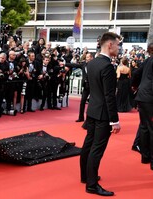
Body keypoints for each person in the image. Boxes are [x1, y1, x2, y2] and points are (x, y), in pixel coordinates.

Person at [79, 32, 121, 196]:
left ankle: (86, 176)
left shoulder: (92, 63)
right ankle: (91, 185)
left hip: (93, 111)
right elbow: (109, 96)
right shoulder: (107, 67)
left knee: (88, 145)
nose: (119, 48)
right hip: (103, 114)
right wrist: (114, 120)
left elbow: (90, 89)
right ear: (109, 44)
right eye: (117, 44)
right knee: (97, 149)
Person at [132, 42, 153, 170]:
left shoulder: (147, 61)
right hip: (150, 97)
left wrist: (134, 86)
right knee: (150, 128)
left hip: (142, 96)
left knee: (144, 127)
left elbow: (135, 73)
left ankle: (145, 156)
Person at [65, 52, 93, 122]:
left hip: (93, 86)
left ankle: (91, 119)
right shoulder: (83, 64)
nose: (87, 59)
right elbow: (75, 65)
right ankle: (81, 117)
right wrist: (65, 64)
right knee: (82, 101)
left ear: (92, 58)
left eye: (88, 57)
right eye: (86, 57)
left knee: (92, 103)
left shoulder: (94, 65)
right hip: (86, 86)